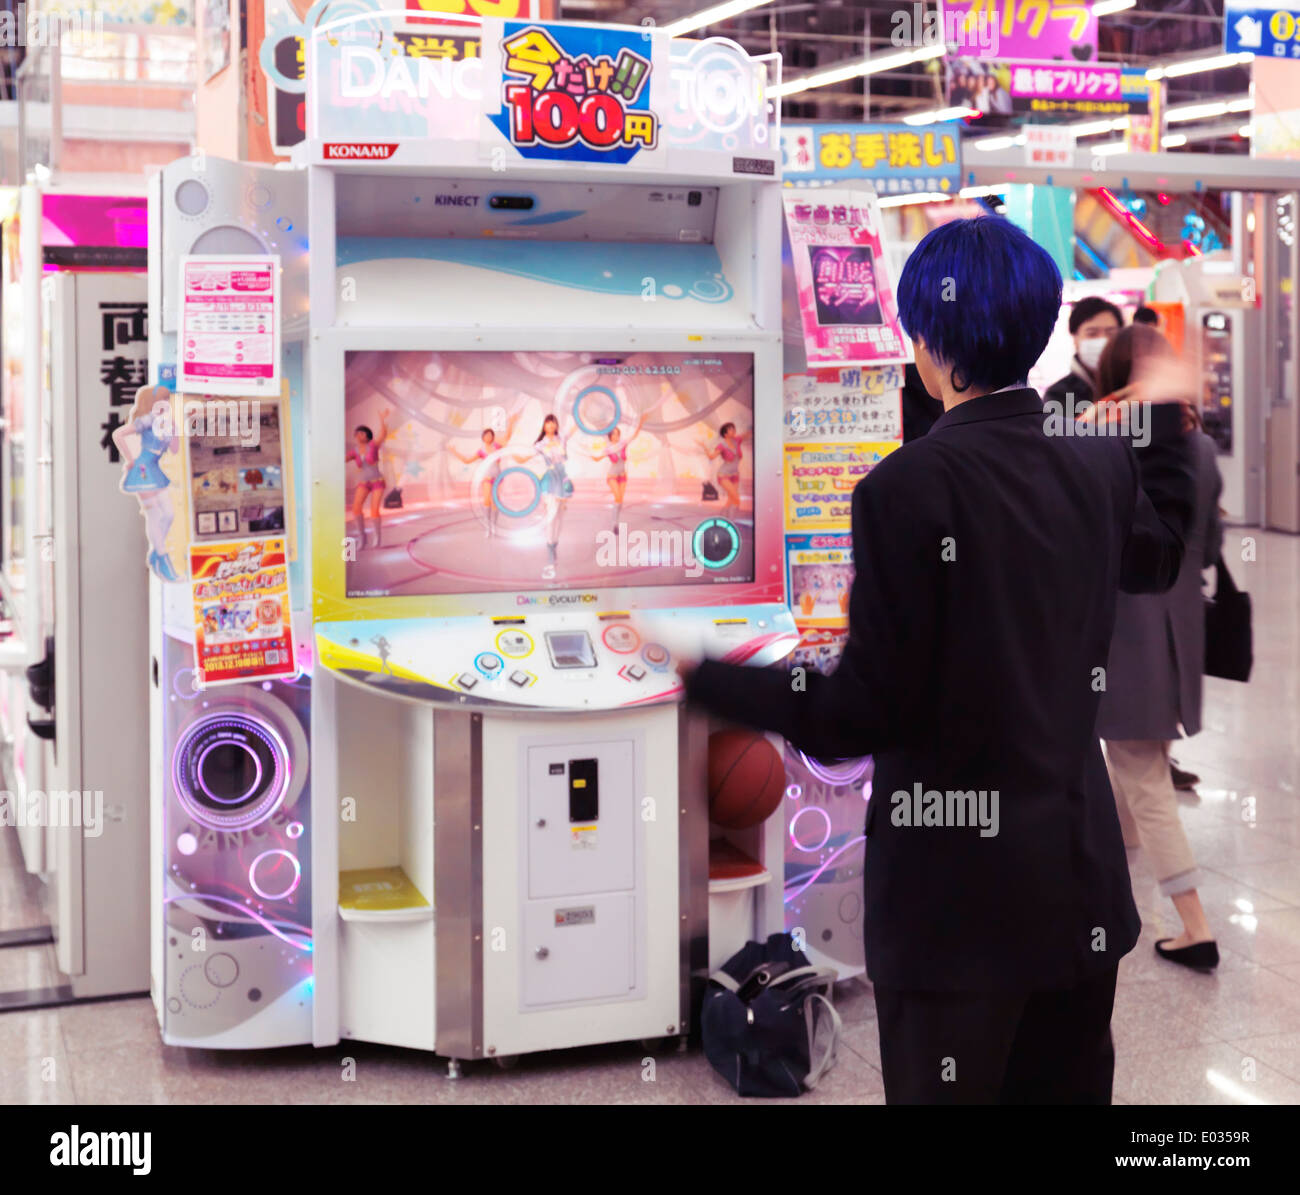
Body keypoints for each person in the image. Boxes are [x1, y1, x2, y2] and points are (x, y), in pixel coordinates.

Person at [679, 216, 1195, 1105]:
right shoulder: (1097, 462)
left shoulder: (903, 490)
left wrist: (707, 676)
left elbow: (857, 714)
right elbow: (1155, 557)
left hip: (957, 909)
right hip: (1079, 891)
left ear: (926, 340)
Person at [1091, 326, 1222, 972]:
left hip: (1131, 627)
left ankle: (1194, 923)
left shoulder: (1114, 439)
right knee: (1139, 761)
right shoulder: (1197, 444)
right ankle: (1123, 869)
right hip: (1179, 625)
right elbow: (1211, 540)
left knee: (1141, 771)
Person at [1043, 296, 1123, 413]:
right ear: (1075, 338)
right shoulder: (1059, 396)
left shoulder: (1134, 384)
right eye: (1092, 334)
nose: (1103, 340)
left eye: (1111, 333)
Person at [448, 415, 519, 538]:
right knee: (486, 500)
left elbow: (507, 438)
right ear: (483, 438)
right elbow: (466, 460)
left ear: (492, 437)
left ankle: (494, 526)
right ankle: (488, 527)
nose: (488, 437)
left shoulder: (497, 446)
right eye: (486, 435)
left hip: (497, 476)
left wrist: (511, 423)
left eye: (490, 435)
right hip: (487, 477)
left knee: (495, 502)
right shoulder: (481, 451)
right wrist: (454, 451)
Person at [590, 413, 646, 530]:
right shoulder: (608, 448)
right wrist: (592, 457)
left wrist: (641, 423)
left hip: (623, 476)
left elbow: (634, 435)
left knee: (620, 500)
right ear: (610, 436)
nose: (616, 436)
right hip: (612, 476)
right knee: (618, 497)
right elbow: (598, 458)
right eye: (614, 434)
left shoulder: (622, 444)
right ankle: (614, 523)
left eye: (617, 434)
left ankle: (616, 521)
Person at [347, 409, 390, 549]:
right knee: (356, 508)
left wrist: (382, 419)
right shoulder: (354, 451)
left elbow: (383, 435)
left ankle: (377, 537)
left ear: (367, 435)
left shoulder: (373, 445)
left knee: (374, 509)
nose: (359, 435)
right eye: (357, 433)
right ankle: (362, 537)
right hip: (364, 482)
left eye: (362, 432)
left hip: (377, 481)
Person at [703, 422, 750, 516]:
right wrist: (705, 447)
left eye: (734, 428)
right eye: (731, 429)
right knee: (736, 498)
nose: (734, 430)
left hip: (735, 474)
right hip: (723, 475)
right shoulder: (722, 446)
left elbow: (747, 434)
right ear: (725, 433)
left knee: (731, 499)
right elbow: (711, 457)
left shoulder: (737, 440)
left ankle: (723, 516)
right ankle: (730, 519)